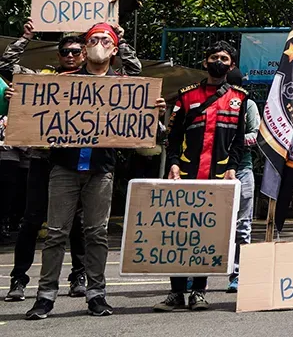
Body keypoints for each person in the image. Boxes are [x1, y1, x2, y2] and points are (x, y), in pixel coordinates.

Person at [23, 23, 163, 320]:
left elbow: (144, 126)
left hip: (101, 170)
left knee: (96, 233)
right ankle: (45, 296)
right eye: (93, 39)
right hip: (64, 167)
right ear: (85, 49)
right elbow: (35, 111)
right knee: (56, 233)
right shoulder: (62, 82)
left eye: (105, 39)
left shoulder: (126, 86)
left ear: (114, 49)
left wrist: (153, 110)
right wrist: (20, 103)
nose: (99, 43)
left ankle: (96, 294)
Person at [1, 25, 102, 303]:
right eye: (64, 52)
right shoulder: (44, 79)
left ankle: (78, 276)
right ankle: (18, 280)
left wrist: (121, 39)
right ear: (58, 56)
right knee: (31, 220)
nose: (69, 56)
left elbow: (132, 75)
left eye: (75, 51)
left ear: (84, 53)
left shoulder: (97, 82)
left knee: (78, 223)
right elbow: (7, 66)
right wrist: (26, 38)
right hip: (43, 158)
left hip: (76, 160)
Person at [154, 41, 249, 312]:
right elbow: (172, 139)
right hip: (185, 174)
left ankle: (198, 291)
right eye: (213, 57)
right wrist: (172, 164)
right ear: (205, 62)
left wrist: (232, 166)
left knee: (206, 234)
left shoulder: (240, 98)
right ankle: (176, 293)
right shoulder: (186, 95)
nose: (218, 61)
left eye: (224, 58)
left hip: (217, 176)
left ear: (231, 65)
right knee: (179, 232)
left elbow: (239, 141)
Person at [226, 68, 259, 293]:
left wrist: (231, 140)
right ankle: (195, 276)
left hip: (242, 169)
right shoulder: (213, 103)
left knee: (242, 226)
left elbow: (254, 134)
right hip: (213, 169)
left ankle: (238, 273)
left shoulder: (248, 105)